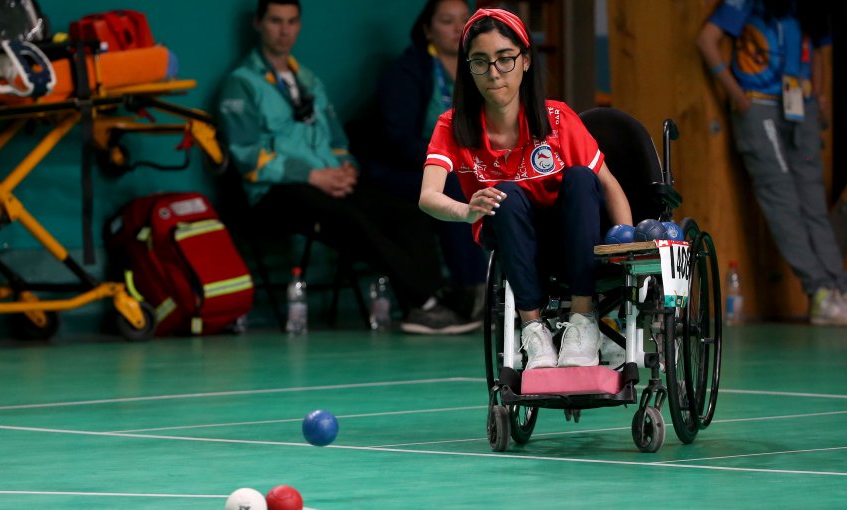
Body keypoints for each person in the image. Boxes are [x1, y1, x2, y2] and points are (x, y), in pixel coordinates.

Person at [217, 0, 480, 334]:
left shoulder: (308, 79)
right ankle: (424, 303)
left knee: (408, 213)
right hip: (276, 192)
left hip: (331, 182)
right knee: (353, 220)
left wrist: (345, 169)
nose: (284, 30)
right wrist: (314, 176)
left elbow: (338, 140)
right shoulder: (241, 83)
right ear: (258, 24)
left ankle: (436, 300)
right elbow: (247, 157)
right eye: (275, 21)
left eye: (292, 21)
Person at [418, 8, 632, 368]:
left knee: (581, 177)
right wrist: (467, 210)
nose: (494, 73)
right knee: (507, 193)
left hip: (573, 240)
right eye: (480, 62)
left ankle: (582, 321)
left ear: (526, 61)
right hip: (512, 237)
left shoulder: (558, 119)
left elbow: (608, 184)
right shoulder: (452, 125)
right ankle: (534, 330)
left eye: (505, 59)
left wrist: (625, 243)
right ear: (468, 67)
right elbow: (428, 197)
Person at [696, 0, 847, 326]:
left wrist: (819, 94)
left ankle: (839, 287)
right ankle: (819, 292)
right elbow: (707, 40)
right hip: (760, 107)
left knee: (813, 203)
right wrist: (737, 96)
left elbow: (821, 49)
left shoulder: (808, 8)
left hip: (801, 109)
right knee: (782, 199)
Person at [365, 0, 487, 322]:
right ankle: (469, 290)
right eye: (448, 21)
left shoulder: (479, 69)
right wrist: (450, 162)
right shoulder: (407, 71)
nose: (459, 29)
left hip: (466, 165)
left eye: (465, 20)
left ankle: (517, 289)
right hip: (403, 170)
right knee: (457, 186)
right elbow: (397, 140)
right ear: (427, 29)